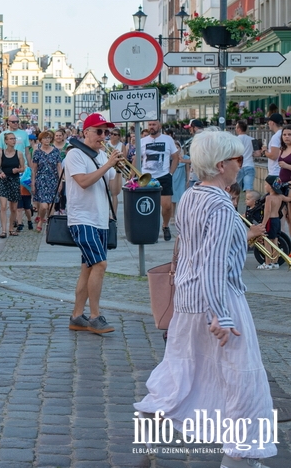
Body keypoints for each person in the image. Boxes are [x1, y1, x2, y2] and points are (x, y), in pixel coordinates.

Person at [135, 130, 277, 468]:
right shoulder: (222, 207)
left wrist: (242, 238)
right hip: (219, 302)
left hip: (188, 304)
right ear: (220, 165)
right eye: (238, 159)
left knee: (185, 371)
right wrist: (221, 315)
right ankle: (239, 458)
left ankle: (152, 427)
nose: (242, 165)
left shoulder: (191, 197)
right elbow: (212, 265)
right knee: (241, 380)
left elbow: (191, 252)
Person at [64, 113, 121, 335]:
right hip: (82, 218)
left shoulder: (101, 156)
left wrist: (120, 167)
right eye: (99, 131)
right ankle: (95, 316)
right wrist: (108, 165)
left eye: (106, 132)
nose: (103, 136)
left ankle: (77, 315)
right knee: (100, 265)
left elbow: (114, 190)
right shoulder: (75, 154)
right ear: (86, 132)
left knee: (88, 267)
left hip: (100, 219)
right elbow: (84, 182)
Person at [139, 120, 179, 241]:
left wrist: (171, 173)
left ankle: (165, 226)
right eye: (149, 125)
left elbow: (176, 157)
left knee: (166, 206)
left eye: (154, 124)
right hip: (147, 176)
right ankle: (150, 228)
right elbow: (137, 158)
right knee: (148, 206)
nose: (151, 127)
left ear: (159, 126)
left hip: (164, 176)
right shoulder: (143, 141)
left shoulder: (168, 139)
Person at [0, 132, 25, 238]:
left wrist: (17, 169)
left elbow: (23, 167)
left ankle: (11, 228)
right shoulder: (1, 154)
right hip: (4, 181)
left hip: (14, 181)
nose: (13, 140)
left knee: (13, 208)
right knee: (3, 206)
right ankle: (3, 230)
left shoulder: (19, 153)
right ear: (6, 141)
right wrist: (0, 172)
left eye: (14, 138)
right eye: (11, 139)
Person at [32, 130, 61, 233]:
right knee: (44, 206)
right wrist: (33, 183)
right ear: (40, 140)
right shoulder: (37, 152)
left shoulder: (56, 151)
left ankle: (50, 225)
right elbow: (34, 169)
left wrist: (60, 181)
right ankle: (40, 219)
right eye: (45, 138)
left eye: (49, 138)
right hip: (41, 180)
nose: (47, 140)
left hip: (53, 180)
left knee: (52, 205)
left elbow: (59, 167)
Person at [258, 179, 291, 270]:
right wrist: (289, 188)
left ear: (271, 187)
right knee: (275, 241)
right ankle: (275, 262)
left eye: (266, 185)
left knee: (267, 242)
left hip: (270, 221)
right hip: (277, 220)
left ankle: (267, 263)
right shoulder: (280, 196)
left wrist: (263, 224)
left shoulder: (268, 198)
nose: (265, 186)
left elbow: (267, 212)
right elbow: (289, 199)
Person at [234, 120, 256, 194]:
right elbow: (258, 153)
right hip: (249, 165)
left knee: (236, 189)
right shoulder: (252, 140)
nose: (235, 129)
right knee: (248, 188)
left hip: (238, 166)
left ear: (239, 129)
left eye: (236, 128)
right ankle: (249, 205)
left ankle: (235, 205)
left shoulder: (235, 140)